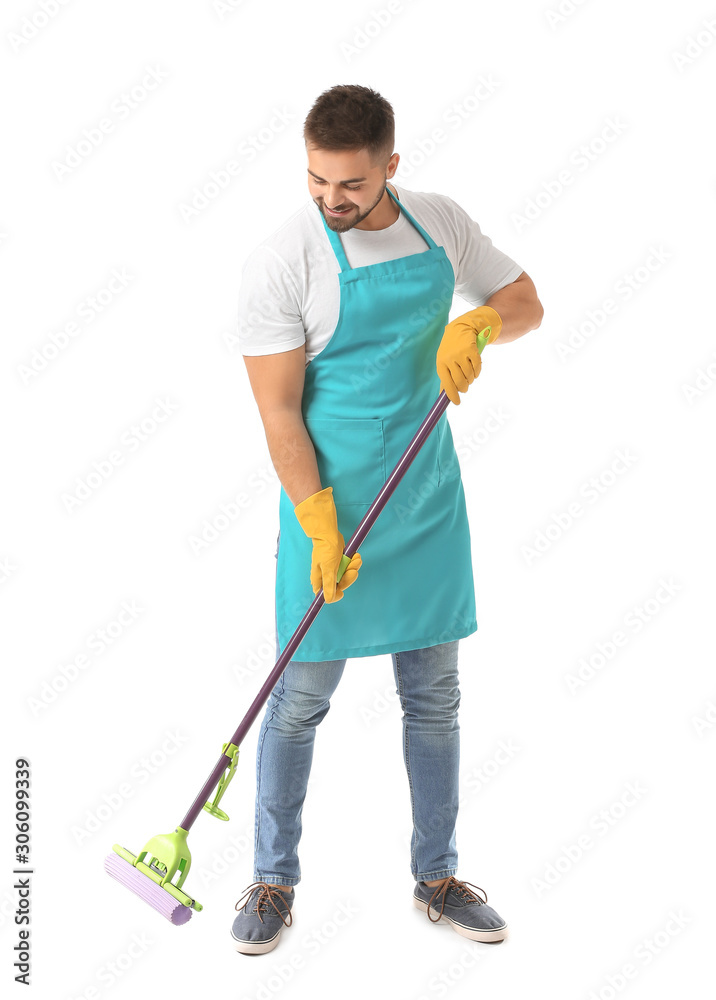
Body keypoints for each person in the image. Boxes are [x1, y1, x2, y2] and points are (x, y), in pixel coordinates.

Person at [231, 84, 543, 955]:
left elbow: (527, 300)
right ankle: (272, 878)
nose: (333, 199)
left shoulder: (439, 222)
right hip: (328, 504)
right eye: (318, 180)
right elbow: (280, 415)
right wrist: (320, 526)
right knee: (297, 703)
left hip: (424, 498)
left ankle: (437, 876)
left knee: (434, 698)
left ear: (391, 168)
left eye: (353, 184)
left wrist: (479, 321)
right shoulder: (282, 260)